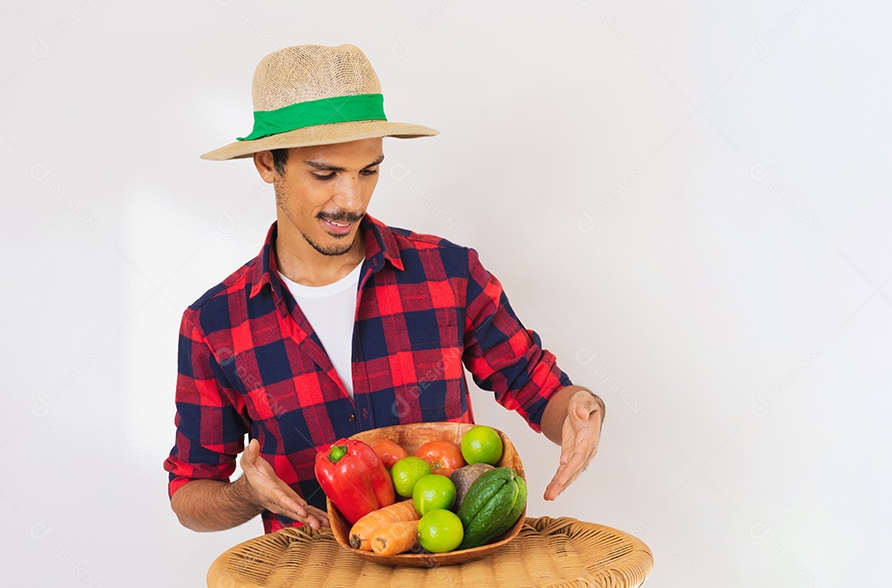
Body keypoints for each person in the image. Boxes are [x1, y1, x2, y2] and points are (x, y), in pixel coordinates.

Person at [164, 44, 605, 533]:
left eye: (368, 170)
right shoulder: (214, 325)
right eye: (325, 173)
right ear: (268, 164)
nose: (350, 200)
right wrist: (245, 495)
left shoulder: (448, 273)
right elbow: (189, 492)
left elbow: (537, 387)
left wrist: (580, 410)